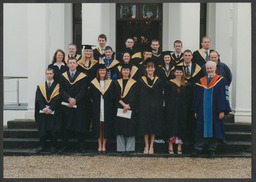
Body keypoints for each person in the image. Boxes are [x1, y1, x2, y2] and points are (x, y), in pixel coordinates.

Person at [191, 61, 231, 158]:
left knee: (214, 129)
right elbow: (197, 97)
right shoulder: (201, 81)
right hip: (202, 110)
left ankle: (211, 150)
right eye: (207, 68)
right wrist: (195, 110)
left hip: (215, 110)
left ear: (215, 68)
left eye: (211, 68)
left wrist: (222, 110)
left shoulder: (221, 81)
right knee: (201, 129)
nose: (209, 70)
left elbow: (223, 96)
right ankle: (198, 149)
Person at [58, 57, 89, 154]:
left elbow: (83, 90)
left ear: (77, 64)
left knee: (80, 126)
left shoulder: (83, 76)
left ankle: (81, 147)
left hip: (79, 105)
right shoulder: (63, 76)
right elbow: (61, 90)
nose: (72, 64)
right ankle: (64, 146)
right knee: (65, 126)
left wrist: (75, 99)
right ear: (67, 65)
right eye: (70, 63)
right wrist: (69, 99)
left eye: (73, 63)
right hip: (67, 105)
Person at [137, 58, 163, 154]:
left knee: (153, 127)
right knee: (145, 127)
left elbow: (161, 96)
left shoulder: (158, 81)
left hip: (155, 108)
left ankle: (152, 146)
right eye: (148, 67)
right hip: (144, 108)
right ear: (146, 69)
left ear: (154, 69)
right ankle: (146, 146)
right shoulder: (141, 81)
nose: (150, 69)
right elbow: (138, 95)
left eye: (152, 67)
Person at [176, 50, 204, 139]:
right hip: (182, 95)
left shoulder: (197, 68)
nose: (187, 57)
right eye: (185, 55)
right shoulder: (178, 67)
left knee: (192, 114)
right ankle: (182, 134)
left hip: (194, 94)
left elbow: (201, 80)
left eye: (189, 55)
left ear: (192, 57)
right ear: (183, 56)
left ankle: (192, 135)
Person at [89, 63, 116, 153]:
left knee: (105, 126)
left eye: (104, 70)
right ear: (98, 72)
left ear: (106, 72)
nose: (102, 72)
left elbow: (113, 96)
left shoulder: (110, 82)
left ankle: (104, 145)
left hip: (107, 106)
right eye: (100, 70)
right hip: (97, 106)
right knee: (98, 125)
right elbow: (90, 95)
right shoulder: (94, 83)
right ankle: (99, 145)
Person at [35, 68, 61, 154]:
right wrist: (44, 108)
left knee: (53, 129)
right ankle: (42, 145)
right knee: (42, 128)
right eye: (48, 73)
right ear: (45, 74)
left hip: (53, 111)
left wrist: (51, 108)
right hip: (43, 111)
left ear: (53, 74)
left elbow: (57, 99)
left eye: (51, 73)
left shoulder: (58, 86)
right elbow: (39, 99)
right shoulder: (41, 86)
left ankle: (53, 146)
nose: (49, 75)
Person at [115, 64, 137, 154]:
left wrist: (128, 106)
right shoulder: (117, 82)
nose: (125, 72)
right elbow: (116, 96)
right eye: (124, 70)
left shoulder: (134, 83)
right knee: (120, 127)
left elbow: (135, 96)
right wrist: (124, 105)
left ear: (129, 72)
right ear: (121, 71)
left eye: (127, 70)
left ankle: (129, 148)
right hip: (120, 107)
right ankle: (121, 148)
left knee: (130, 127)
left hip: (130, 108)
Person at [165, 65, 187, 155]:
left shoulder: (186, 84)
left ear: (182, 73)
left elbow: (188, 98)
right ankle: (170, 145)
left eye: (180, 72)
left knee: (181, 126)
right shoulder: (169, 83)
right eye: (177, 72)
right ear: (174, 73)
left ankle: (179, 146)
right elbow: (166, 97)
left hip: (182, 109)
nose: (178, 74)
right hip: (172, 109)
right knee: (171, 126)